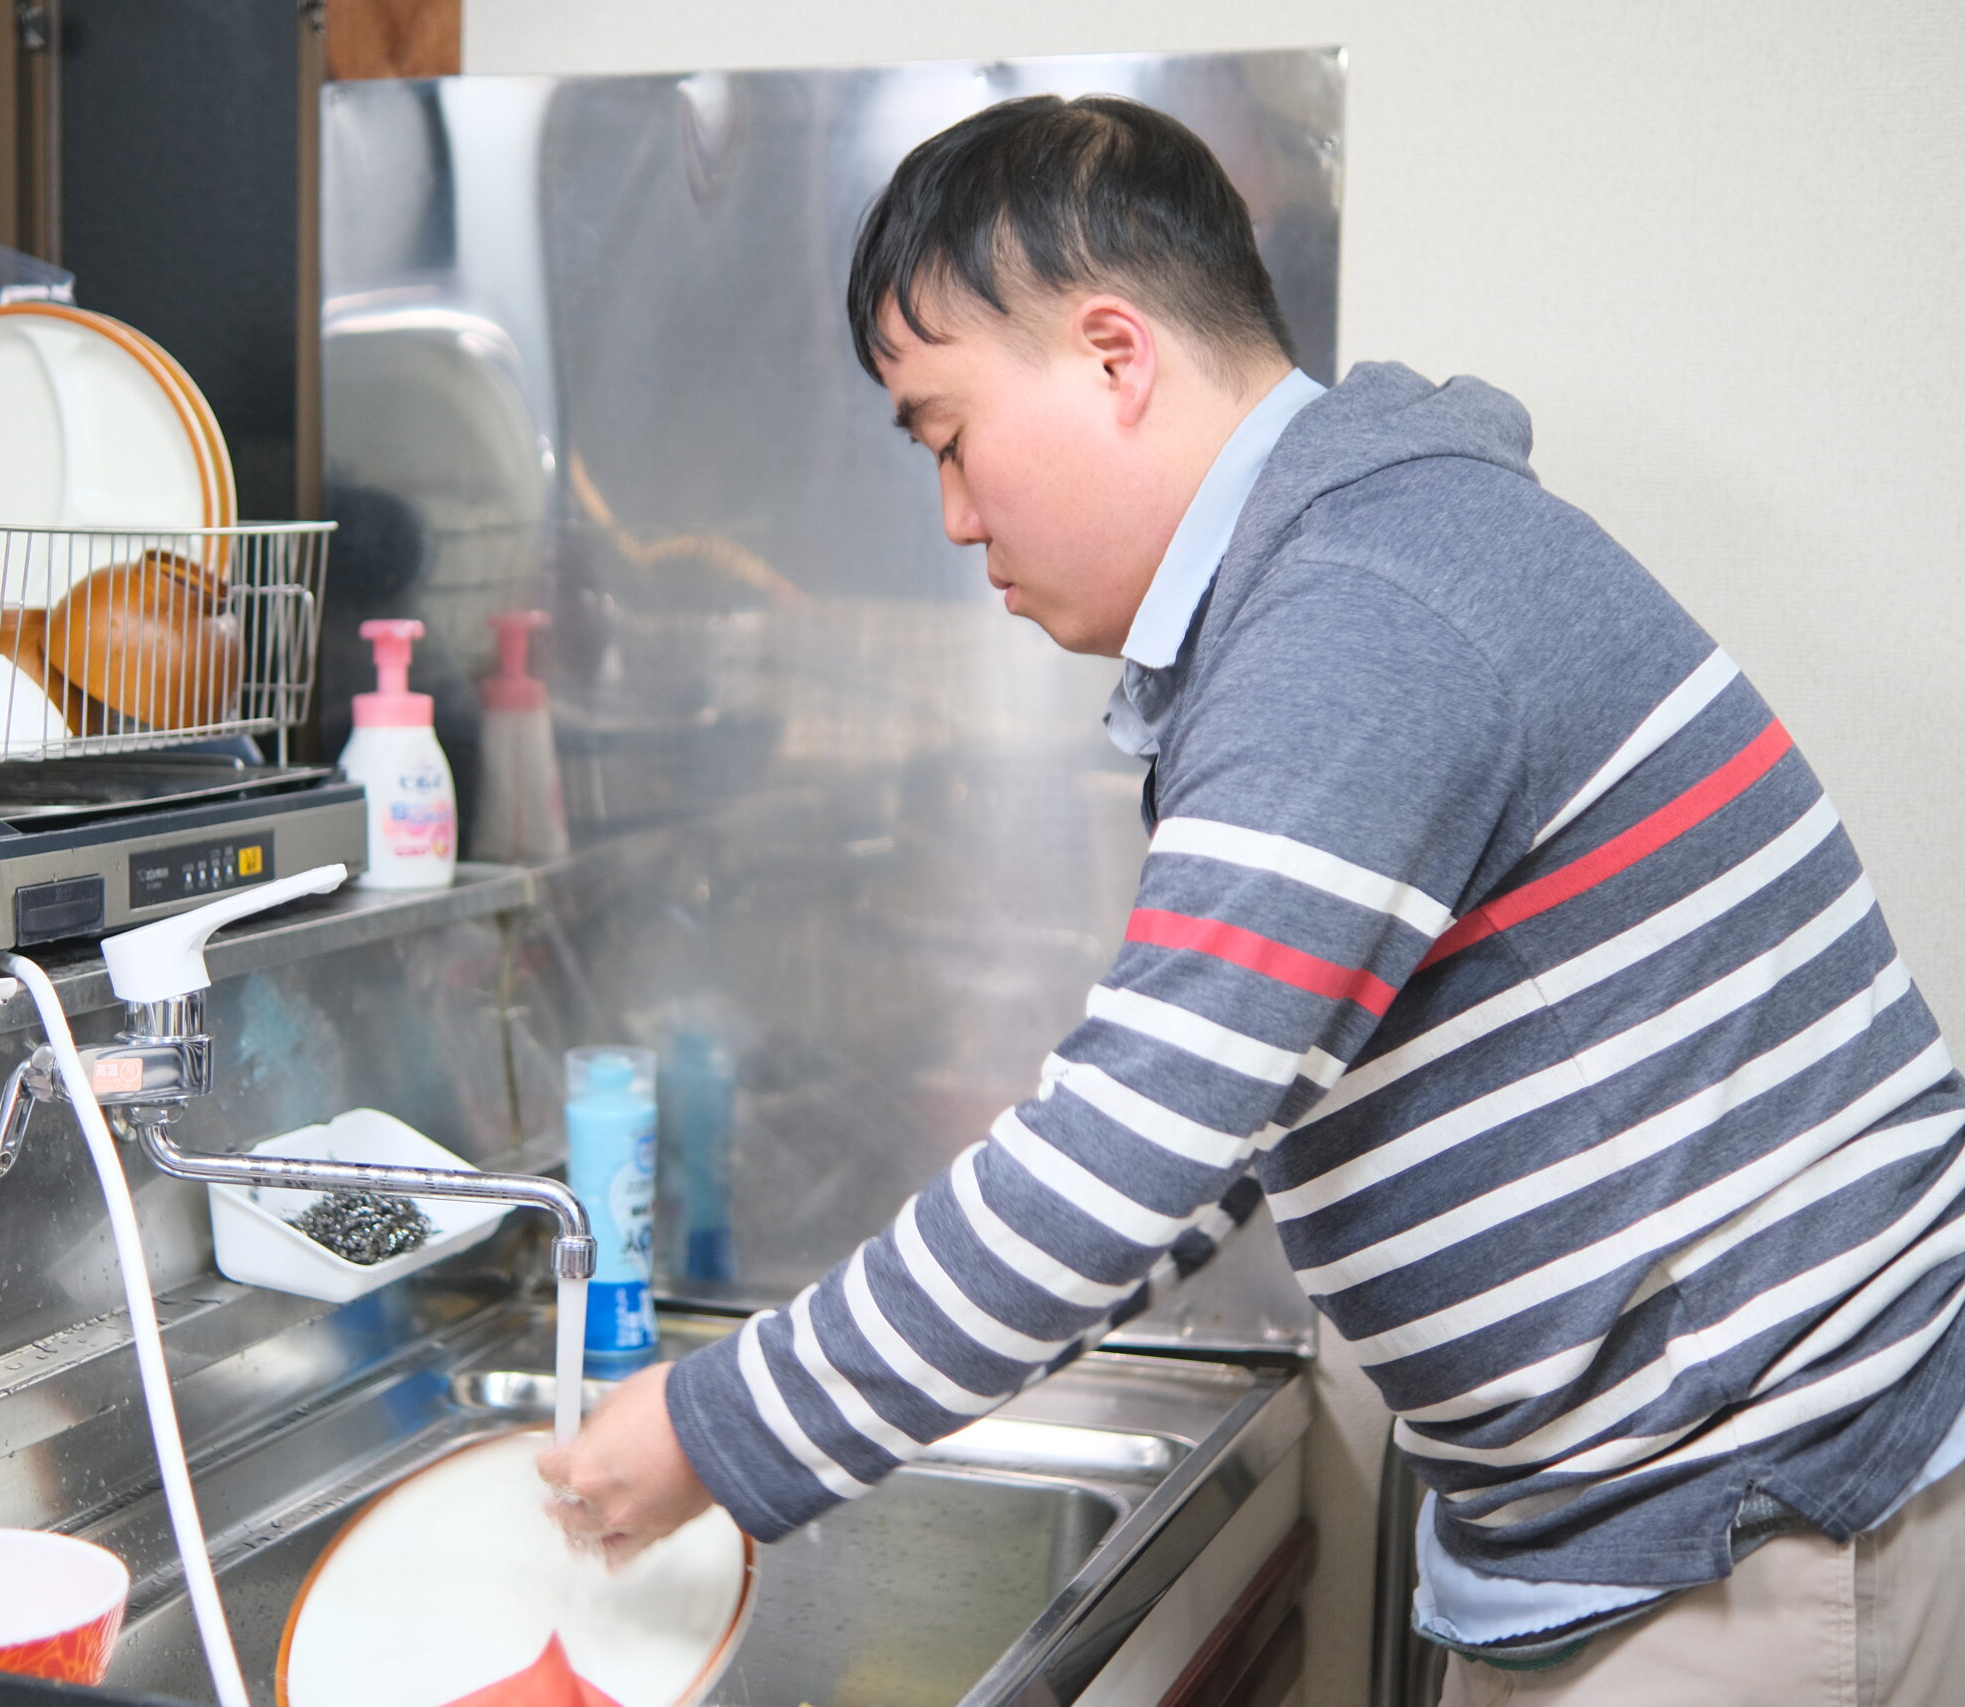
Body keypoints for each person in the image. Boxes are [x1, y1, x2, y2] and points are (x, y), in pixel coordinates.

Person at [537, 93, 1965, 1704]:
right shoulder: (1350, 569)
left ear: (1113, 356)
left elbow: (1129, 1152)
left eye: (947, 435)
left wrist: (716, 1429)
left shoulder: (1353, 614)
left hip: (1761, 1508)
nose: (955, 515)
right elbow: (1217, 1125)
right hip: (1673, 1513)